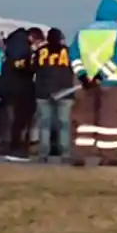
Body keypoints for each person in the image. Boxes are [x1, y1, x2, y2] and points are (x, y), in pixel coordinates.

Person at [69, 0, 117, 166]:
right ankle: (107, 156)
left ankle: (80, 155)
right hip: (110, 83)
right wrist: (101, 76)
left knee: (84, 118)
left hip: (85, 84)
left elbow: (74, 55)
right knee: (108, 119)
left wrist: (83, 75)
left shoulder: (82, 33)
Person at [32, 27, 82, 165]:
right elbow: (77, 68)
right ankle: (65, 154)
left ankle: (43, 154)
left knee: (44, 124)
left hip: (43, 92)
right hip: (65, 92)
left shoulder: (40, 52)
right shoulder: (68, 51)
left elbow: (32, 68)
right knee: (64, 124)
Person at [3, 27, 41, 162]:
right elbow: (20, 65)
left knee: (17, 120)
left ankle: (16, 146)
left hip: (15, 86)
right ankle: (17, 148)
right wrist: (32, 66)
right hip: (20, 87)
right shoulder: (21, 46)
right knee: (21, 119)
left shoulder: (15, 43)